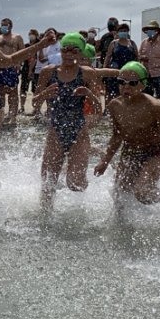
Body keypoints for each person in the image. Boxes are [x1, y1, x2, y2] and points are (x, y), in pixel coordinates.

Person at [94, 62, 160, 205]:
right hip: (129, 154)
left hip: (153, 155)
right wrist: (104, 161)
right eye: (122, 82)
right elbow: (117, 136)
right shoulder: (114, 106)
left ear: (143, 84)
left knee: (142, 192)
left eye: (132, 83)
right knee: (119, 194)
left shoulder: (154, 106)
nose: (126, 87)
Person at [33, 33, 103, 211]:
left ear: (81, 53)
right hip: (55, 131)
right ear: (61, 51)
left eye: (74, 50)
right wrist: (44, 94)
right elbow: (34, 103)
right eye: (66, 49)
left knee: (75, 183)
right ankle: (45, 216)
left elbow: (98, 109)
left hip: (79, 130)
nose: (69, 54)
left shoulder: (87, 73)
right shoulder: (48, 72)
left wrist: (88, 94)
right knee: (48, 181)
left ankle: (85, 192)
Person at [0, 18, 25, 124]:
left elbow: (23, 52)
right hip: (0, 68)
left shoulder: (17, 37)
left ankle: (13, 116)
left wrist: (19, 64)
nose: (3, 27)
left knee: (13, 92)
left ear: (10, 26)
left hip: (12, 67)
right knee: (0, 92)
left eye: (5, 25)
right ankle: (2, 115)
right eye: (2, 25)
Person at [103, 22, 138, 105]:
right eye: (121, 31)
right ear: (118, 32)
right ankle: (108, 109)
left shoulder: (132, 43)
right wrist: (104, 71)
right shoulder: (114, 43)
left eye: (125, 31)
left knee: (126, 92)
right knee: (111, 93)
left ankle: (125, 108)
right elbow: (108, 57)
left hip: (128, 73)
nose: (123, 32)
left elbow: (137, 58)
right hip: (114, 72)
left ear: (128, 32)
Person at [139, 20, 160, 109]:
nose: (149, 31)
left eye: (152, 29)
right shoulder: (144, 42)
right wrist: (142, 57)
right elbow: (138, 55)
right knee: (147, 96)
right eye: (148, 30)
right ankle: (149, 114)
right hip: (147, 73)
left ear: (157, 31)